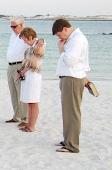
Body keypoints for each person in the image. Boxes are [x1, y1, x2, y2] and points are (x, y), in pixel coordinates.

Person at [52, 18, 90, 153]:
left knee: (72, 112)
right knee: (67, 111)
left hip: (73, 78)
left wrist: (61, 50)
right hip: (69, 77)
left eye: (59, 34)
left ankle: (72, 144)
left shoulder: (77, 39)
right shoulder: (73, 39)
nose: (59, 38)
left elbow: (70, 60)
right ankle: (67, 139)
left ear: (65, 29)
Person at [17, 28, 45, 132]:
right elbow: (25, 61)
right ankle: (29, 124)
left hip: (34, 76)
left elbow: (33, 64)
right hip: (28, 76)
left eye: (25, 40)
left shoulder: (39, 46)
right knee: (29, 101)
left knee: (34, 101)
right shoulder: (29, 48)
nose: (25, 42)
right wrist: (19, 72)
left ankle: (32, 125)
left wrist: (22, 72)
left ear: (30, 37)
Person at [6, 16, 30, 124]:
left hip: (19, 65)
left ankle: (25, 118)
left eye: (14, 26)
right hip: (10, 66)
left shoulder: (26, 35)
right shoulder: (13, 35)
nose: (12, 28)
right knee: (13, 92)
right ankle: (17, 116)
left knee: (21, 92)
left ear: (21, 25)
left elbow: (36, 43)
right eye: (11, 26)